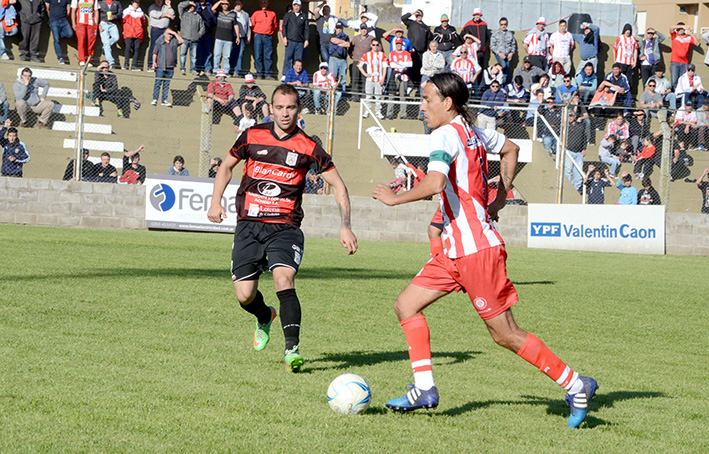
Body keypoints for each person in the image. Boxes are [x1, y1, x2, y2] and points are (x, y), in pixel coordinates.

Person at [371, 71, 597, 427]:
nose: (422, 106)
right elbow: (512, 148)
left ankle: (575, 383)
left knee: (504, 333)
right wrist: (502, 193)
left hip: (476, 251)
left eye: (428, 99)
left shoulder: (445, 134)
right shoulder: (473, 131)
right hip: (453, 251)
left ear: (447, 103)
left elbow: (435, 182)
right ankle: (424, 389)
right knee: (406, 305)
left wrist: (394, 199)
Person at [207, 83, 358, 373]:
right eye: (279, 107)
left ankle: (292, 350)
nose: (285, 113)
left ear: (298, 109)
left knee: (283, 280)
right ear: (271, 108)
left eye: (291, 107)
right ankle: (265, 316)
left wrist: (346, 226)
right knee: (244, 295)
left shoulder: (308, 146)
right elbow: (226, 167)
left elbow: (338, 184)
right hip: (249, 225)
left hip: (285, 228)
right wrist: (216, 202)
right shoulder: (252, 135)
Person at [151, 28, 183, 107]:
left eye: (171, 35)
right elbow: (155, 53)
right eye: (168, 34)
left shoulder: (174, 42)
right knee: (158, 83)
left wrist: (174, 33)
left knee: (166, 85)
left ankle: (164, 100)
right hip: (160, 66)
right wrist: (154, 62)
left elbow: (182, 41)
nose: (170, 36)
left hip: (170, 67)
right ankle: (155, 99)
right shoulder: (159, 42)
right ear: (164, 34)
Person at [401, 8, 432, 86]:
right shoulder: (411, 23)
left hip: (422, 52)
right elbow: (403, 18)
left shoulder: (426, 27)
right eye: (417, 15)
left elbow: (429, 39)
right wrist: (412, 12)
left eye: (420, 15)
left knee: (419, 70)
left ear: (422, 16)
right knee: (410, 69)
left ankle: (417, 87)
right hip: (412, 51)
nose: (418, 16)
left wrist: (428, 49)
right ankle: (409, 86)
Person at [358, 38, 388, 119]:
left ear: (379, 46)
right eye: (373, 45)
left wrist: (383, 78)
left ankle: (378, 111)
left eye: (377, 45)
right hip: (369, 80)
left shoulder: (382, 55)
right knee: (368, 96)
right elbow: (359, 65)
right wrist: (365, 74)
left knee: (378, 97)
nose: (375, 46)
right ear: (371, 45)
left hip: (379, 80)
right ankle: (367, 111)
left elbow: (385, 67)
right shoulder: (367, 55)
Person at [385, 38, 412, 120]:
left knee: (403, 95)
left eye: (400, 43)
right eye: (397, 44)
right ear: (395, 44)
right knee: (391, 94)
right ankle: (389, 113)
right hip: (395, 74)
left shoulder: (406, 53)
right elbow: (392, 65)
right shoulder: (392, 53)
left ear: (402, 44)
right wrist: (403, 64)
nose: (398, 45)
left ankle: (403, 114)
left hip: (404, 74)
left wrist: (398, 63)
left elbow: (410, 64)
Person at [250, 0, 277, 80]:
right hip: (258, 36)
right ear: (259, 4)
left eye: (265, 2)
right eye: (262, 2)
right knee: (258, 55)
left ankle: (268, 74)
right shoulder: (256, 13)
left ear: (268, 3)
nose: (263, 4)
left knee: (268, 56)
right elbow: (252, 25)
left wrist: (269, 31)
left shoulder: (272, 13)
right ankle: (259, 73)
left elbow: (275, 25)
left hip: (268, 36)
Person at [281, 0, 308, 76]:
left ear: (300, 6)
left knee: (298, 60)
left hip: (300, 42)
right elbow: (284, 27)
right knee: (288, 58)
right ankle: (285, 75)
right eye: (295, 5)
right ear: (292, 6)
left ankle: (296, 76)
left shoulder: (304, 16)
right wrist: (285, 37)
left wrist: (306, 40)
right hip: (290, 41)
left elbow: (306, 29)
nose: (296, 7)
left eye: (298, 5)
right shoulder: (288, 15)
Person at [178, 0, 205, 75]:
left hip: (194, 40)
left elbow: (202, 28)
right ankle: (182, 69)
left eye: (193, 6)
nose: (191, 7)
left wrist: (198, 35)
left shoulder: (198, 16)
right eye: (190, 6)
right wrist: (189, 2)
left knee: (194, 56)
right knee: (182, 55)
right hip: (184, 38)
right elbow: (180, 5)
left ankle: (193, 70)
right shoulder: (184, 14)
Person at [211, 0, 238, 75]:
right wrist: (220, 1)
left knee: (227, 56)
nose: (225, 5)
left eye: (226, 4)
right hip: (219, 37)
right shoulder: (219, 13)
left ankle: (226, 71)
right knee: (217, 55)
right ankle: (216, 70)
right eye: (223, 4)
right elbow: (212, 9)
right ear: (221, 5)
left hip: (229, 39)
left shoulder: (233, 14)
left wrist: (238, 36)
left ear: (229, 5)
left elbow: (236, 25)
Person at [147, 0, 175, 71]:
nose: (158, 1)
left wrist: (169, 6)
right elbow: (156, 15)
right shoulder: (152, 7)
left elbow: (173, 15)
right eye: (157, 0)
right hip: (156, 30)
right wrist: (166, 15)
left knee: (163, 48)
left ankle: (160, 65)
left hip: (164, 30)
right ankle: (150, 65)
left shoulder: (166, 7)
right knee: (153, 47)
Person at [348, 23, 373, 99]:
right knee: (355, 78)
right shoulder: (355, 38)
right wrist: (350, 54)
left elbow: (377, 48)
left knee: (364, 79)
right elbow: (350, 47)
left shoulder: (371, 38)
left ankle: (364, 96)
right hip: (356, 60)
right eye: (362, 29)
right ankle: (355, 96)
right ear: (360, 30)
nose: (364, 31)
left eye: (365, 29)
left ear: (367, 30)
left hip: (366, 62)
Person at [71, 0, 100, 65]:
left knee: (91, 42)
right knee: (81, 42)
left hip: (91, 23)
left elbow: (96, 11)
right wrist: (73, 23)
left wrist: (96, 24)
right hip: (80, 23)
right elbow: (73, 10)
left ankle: (89, 60)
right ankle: (82, 60)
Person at [564, 111, 588, 191]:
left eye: (571, 115)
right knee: (568, 170)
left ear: (575, 116)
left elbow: (584, 138)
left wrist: (584, 149)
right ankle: (569, 189)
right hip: (568, 151)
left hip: (579, 152)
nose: (569, 117)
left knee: (579, 172)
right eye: (568, 116)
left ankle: (576, 189)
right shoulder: (565, 126)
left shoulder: (581, 126)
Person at [669, 22, 697, 89]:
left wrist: (692, 33)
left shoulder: (688, 37)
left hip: (684, 63)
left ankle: (681, 98)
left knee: (683, 82)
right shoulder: (674, 36)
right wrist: (683, 26)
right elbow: (671, 28)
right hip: (674, 62)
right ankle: (674, 97)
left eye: (682, 29)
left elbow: (697, 43)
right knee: (674, 82)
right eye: (679, 29)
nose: (681, 30)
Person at [613, 24, 638, 92]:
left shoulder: (633, 39)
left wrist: (635, 61)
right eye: (626, 30)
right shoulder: (620, 38)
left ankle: (628, 93)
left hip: (630, 63)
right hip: (621, 62)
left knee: (629, 79)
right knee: (620, 78)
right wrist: (615, 60)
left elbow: (635, 49)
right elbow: (614, 49)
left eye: (629, 30)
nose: (628, 32)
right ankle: (618, 93)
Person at [97, 0, 122, 68]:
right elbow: (97, 13)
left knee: (116, 38)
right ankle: (111, 62)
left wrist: (115, 16)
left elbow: (120, 13)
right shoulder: (101, 2)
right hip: (103, 23)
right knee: (106, 43)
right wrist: (98, 25)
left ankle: (105, 48)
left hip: (113, 24)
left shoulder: (116, 2)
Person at [194, 0, 216, 75]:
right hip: (198, 33)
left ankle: (208, 68)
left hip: (208, 32)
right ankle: (199, 68)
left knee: (208, 51)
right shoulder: (195, 7)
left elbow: (214, 18)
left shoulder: (210, 7)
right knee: (198, 51)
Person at [122, 0, 145, 70]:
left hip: (138, 33)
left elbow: (143, 23)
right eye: (135, 2)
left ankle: (134, 65)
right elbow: (123, 20)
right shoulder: (126, 11)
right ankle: (126, 64)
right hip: (128, 32)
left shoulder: (141, 12)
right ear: (132, 2)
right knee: (128, 47)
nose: (136, 4)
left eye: (138, 2)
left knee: (137, 49)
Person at [327, 21, 349, 95]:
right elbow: (333, 40)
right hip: (334, 59)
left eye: (340, 28)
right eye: (338, 28)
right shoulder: (331, 35)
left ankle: (342, 95)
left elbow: (348, 44)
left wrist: (338, 43)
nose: (339, 30)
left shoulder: (346, 36)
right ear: (335, 28)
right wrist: (343, 42)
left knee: (342, 79)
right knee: (332, 77)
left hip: (343, 60)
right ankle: (331, 94)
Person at [229, 0, 249, 76]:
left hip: (242, 37)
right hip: (232, 37)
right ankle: (231, 70)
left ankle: (237, 71)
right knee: (232, 53)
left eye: (239, 4)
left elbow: (248, 26)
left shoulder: (245, 14)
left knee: (240, 54)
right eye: (236, 4)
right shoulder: (231, 13)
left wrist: (248, 37)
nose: (237, 6)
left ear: (242, 5)